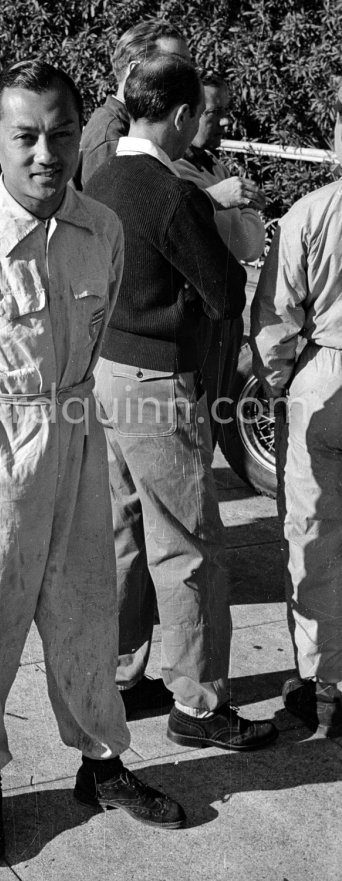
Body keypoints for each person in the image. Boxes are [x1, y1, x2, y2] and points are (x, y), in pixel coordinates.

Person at [0, 60, 186, 867]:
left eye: (61, 133)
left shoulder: (103, 230)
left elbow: (95, 333)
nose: (47, 152)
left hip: (76, 428)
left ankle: (101, 763)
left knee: (88, 604)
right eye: (25, 135)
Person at [85, 55, 278, 750]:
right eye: (199, 112)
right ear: (177, 116)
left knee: (123, 533)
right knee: (190, 547)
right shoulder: (171, 195)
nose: (204, 123)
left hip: (107, 374)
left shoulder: (102, 177)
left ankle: (120, 671)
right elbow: (226, 292)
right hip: (160, 385)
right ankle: (197, 703)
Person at [250, 84, 342, 739]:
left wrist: (276, 385)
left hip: (324, 376)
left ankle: (323, 686)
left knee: (314, 536)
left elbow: (278, 322)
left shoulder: (311, 212)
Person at [175, 72, 266, 443]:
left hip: (224, 317)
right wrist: (234, 205)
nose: (224, 121)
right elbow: (246, 241)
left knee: (214, 420)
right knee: (199, 432)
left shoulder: (212, 167)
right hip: (201, 319)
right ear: (190, 114)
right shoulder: (180, 172)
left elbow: (249, 241)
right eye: (214, 112)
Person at [77, 20, 191, 189]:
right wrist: (211, 199)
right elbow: (122, 209)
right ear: (134, 72)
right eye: (174, 65)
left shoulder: (127, 125)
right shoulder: (110, 139)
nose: (186, 77)